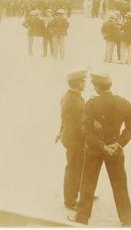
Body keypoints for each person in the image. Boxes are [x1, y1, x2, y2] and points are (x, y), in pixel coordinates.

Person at [69, 71, 131, 227]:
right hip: (115, 150)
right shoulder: (124, 103)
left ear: (98, 87)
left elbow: (86, 131)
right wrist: (118, 143)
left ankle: (82, 218)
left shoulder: (91, 104)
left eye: (94, 85)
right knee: (120, 185)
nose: (93, 88)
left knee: (88, 183)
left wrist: (102, 146)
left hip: (95, 150)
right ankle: (127, 220)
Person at [55, 70, 86, 210]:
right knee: (73, 168)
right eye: (83, 81)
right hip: (75, 140)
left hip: (73, 138)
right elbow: (76, 124)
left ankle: (78, 191)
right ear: (78, 83)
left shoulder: (73, 96)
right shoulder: (73, 100)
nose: (85, 83)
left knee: (78, 166)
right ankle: (70, 200)